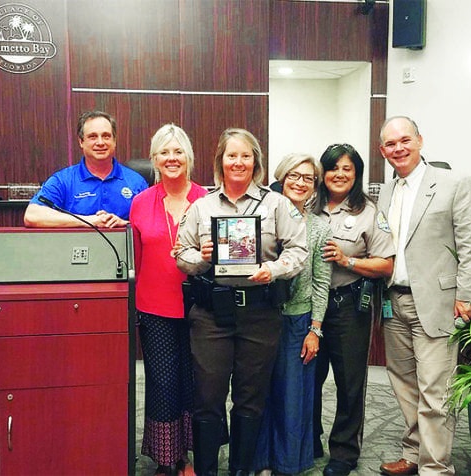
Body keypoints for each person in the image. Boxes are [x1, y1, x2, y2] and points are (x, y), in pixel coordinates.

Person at [175, 128, 308, 476]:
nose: (238, 162)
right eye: (231, 156)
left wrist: (274, 269)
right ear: (220, 161)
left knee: (250, 398)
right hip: (211, 316)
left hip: (260, 314)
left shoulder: (277, 204)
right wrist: (202, 257)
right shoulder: (200, 206)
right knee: (208, 399)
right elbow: (180, 254)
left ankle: (241, 471)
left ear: (256, 162)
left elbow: (299, 250)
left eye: (245, 156)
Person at [377, 116, 471, 476]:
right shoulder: (386, 190)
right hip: (393, 302)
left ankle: (436, 467)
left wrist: (469, 295)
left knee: (436, 393)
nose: (399, 148)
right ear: (383, 151)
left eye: (405, 140)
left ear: (420, 141)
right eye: (391, 144)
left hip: (438, 302)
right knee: (405, 387)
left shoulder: (454, 183)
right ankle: (413, 454)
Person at [313, 143, 395, 476]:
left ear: (356, 174)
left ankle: (344, 453)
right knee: (308, 379)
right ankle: (308, 439)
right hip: (308, 309)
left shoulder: (369, 211)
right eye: (333, 168)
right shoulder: (306, 206)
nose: (340, 174)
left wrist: (348, 260)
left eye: (348, 169)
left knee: (349, 383)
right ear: (323, 172)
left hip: (348, 306)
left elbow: (386, 264)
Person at [129, 124, 206, 476]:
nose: (171, 158)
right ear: (155, 159)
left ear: (188, 157)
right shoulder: (141, 203)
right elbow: (138, 260)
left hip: (198, 306)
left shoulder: (207, 199)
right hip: (154, 308)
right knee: (162, 382)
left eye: (178, 152)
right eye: (164, 152)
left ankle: (186, 456)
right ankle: (164, 458)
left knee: (193, 382)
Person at [252, 153, 332, 475]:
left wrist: (315, 330)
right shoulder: (261, 216)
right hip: (260, 318)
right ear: (282, 179)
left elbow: (322, 282)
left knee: (292, 398)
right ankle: (258, 459)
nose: (300, 183)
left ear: (314, 187)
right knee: (258, 391)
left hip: (298, 321)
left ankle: (287, 463)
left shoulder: (320, 227)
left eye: (308, 178)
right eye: (293, 176)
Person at [24, 110, 148, 227]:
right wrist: (89, 221)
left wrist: (125, 224)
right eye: (93, 137)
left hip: (123, 249)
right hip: (75, 248)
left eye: (106, 136)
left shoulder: (136, 182)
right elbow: (32, 216)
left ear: (114, 141)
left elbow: (150, 225)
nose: (100, 142)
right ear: (81, 142)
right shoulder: (63, 180)